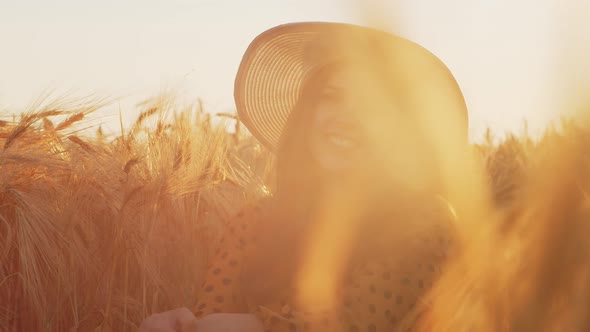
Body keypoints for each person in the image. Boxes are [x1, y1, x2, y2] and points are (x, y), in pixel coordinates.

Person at [139, 21, 468, 332]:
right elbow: (210, 317)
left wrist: (243, 326)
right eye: (331, 97)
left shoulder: (425, 221)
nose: (346, 117)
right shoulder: (253, 222)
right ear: (308, 113)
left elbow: (356, 321)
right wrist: (178, 326)